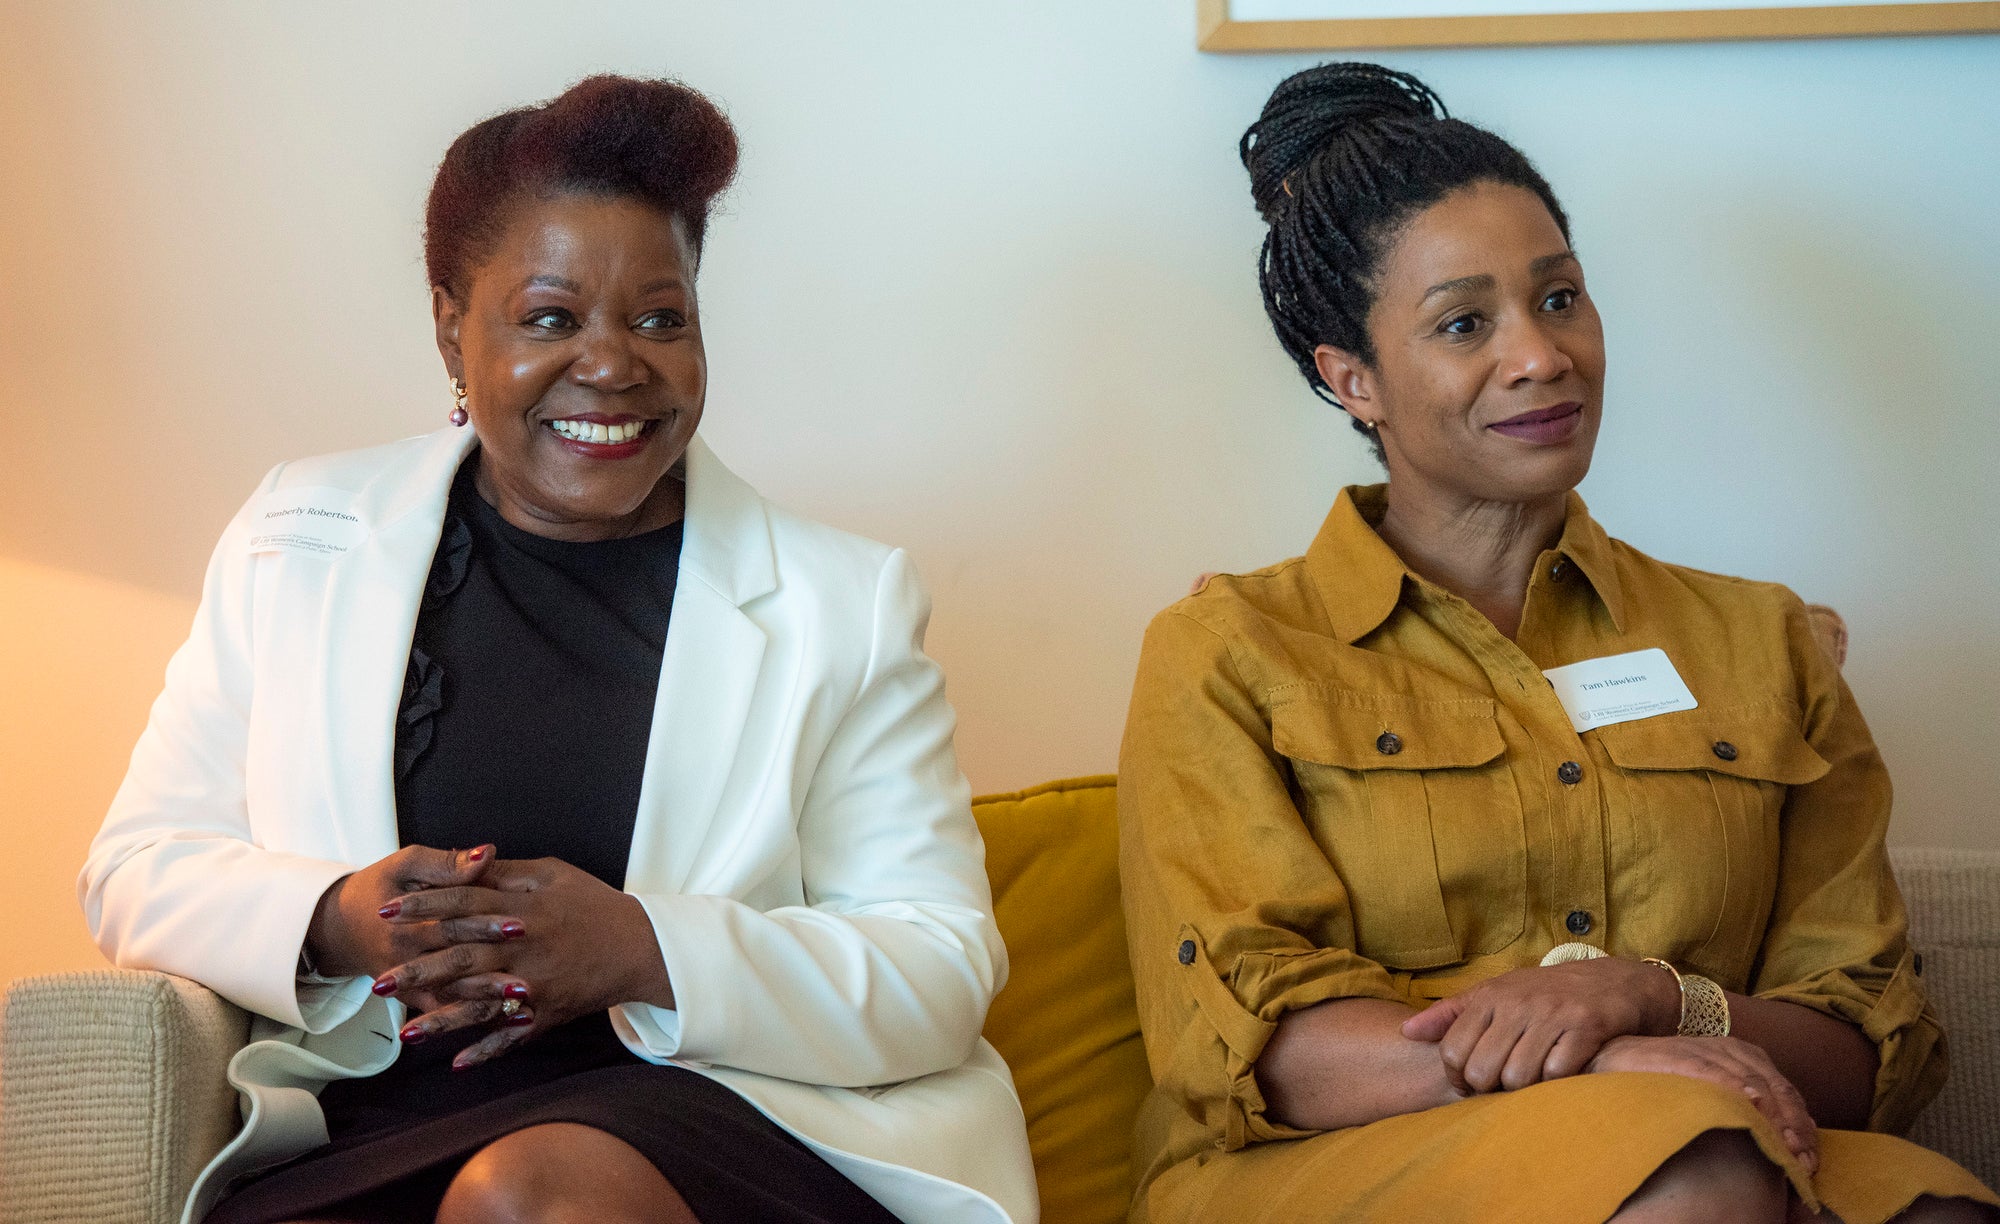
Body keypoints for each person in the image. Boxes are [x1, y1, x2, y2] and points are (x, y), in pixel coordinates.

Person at [80, 75, 1035, 1224]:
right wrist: (337, 914)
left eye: (657, 317)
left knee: (531, 1198)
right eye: (549, 318)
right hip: (372, 1132)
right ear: (451, 327)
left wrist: (641, 949)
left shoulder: (842, 602)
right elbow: (136, 865)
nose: (612, 364)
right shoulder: (301, 538)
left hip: (719, 1120)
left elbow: (936, 968)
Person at [1117, 63, 1998, 1224]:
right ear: (1352, 381)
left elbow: (1863, 1043)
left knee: (1930, 1211)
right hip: (1332, 1166)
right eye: (1462, 324)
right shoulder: (1229, 651)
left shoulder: (1758, 640)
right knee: (1692, 1174)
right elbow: (1262, 1046)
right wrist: (1592, 1056)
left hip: (1722, 1118)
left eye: (1559, 298)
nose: (1539, 355)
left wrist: (1652, 1002)